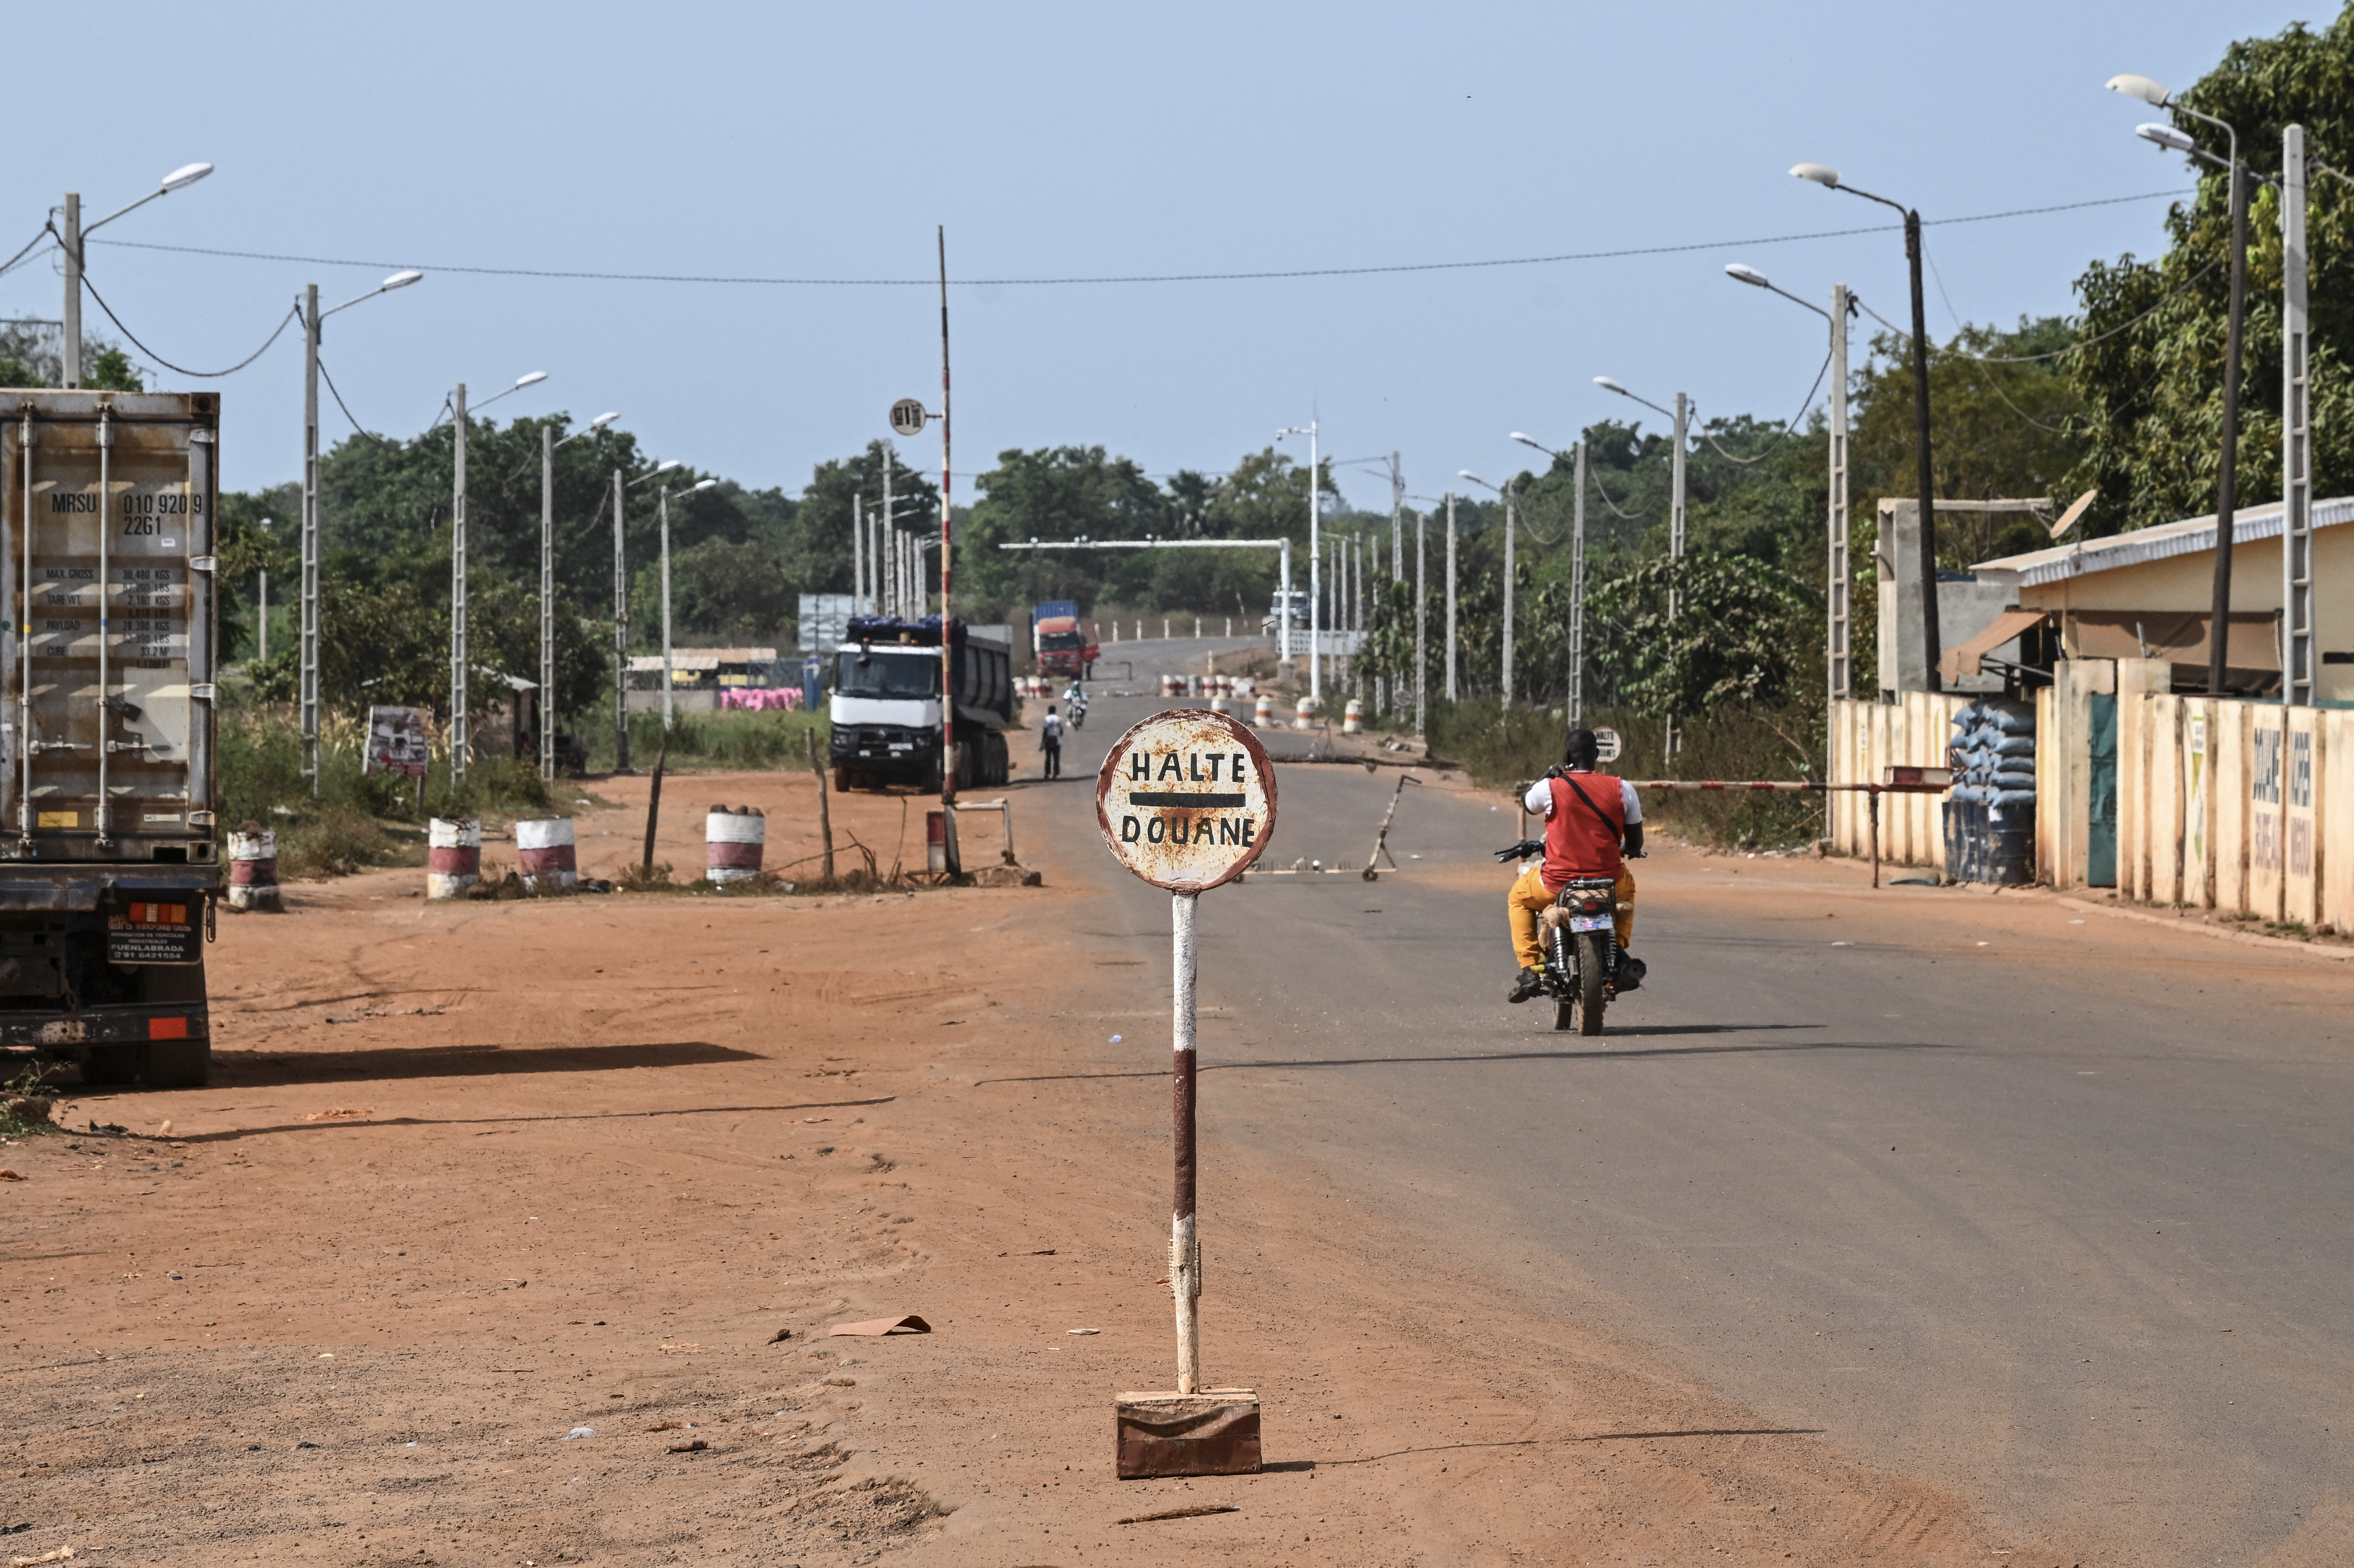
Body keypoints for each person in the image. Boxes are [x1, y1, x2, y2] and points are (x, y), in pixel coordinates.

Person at [1507, 728, 1645, 1003]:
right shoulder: (1623, 788)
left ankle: (1529, 968)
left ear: (1567, 755)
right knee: (1627, 888)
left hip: (1556, 886)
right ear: (1596, 755)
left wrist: (1548, 773)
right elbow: (1635, 844)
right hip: (1608, 886)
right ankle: (1616, 950)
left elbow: (1526, 802)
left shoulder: (1550, 787)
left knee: (1518, 899)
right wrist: (1626, 850)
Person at [1039, 704, 1063, 780]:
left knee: (1048, 757)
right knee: (1056, 758)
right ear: (1055, 711)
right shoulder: (1059, 719)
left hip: (1049, 739)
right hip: (1057, 740)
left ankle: (1047, 774)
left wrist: (1043, 742)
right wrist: (1059, 737)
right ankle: (1055, 774)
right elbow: (1061, 730)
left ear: (1049, 711)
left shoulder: (1047, 719)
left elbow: (1045, 730)